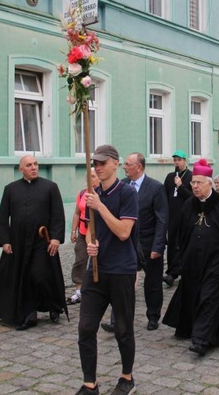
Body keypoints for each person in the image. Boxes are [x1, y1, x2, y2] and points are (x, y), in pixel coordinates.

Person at [162, 159, 219, 355]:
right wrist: (180, 260)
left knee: (209, 297)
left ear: (210, 183)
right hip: (193, 261)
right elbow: (181, 234)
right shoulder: (188, 205)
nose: (194, 187)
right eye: (193, 183)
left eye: (199, 183)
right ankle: (193, 328)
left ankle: (201, 340)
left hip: (216, 261)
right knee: (194, 294)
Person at [76, 145, 139, 395]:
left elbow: (124, 232)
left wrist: (100, 206)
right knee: (85, 327)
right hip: (96, 270)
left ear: (115, 163)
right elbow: (91, 228)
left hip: (122, 270)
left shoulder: (127, 193)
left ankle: (127, 378)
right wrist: (92, 243)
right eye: (95, 163)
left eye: (102, 163)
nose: (98, 167)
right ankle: (90, 384)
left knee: (123, 328)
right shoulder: (92, 194)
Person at [0, 155, 68, 331]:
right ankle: (29, 315)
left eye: (35, 164)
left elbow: (58, 214)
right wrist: (5, 241)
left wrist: (55, 237)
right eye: (29, 165)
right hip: (19, 242)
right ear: (21, 169)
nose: (34, 168)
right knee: (24, 277)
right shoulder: (11, 189)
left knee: (40, 275)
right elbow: (3, 217)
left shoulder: (50, 187)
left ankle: (53, 305)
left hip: (42, 243)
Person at [122, 152, 168, 331]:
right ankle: (118, 318)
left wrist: (158, 246)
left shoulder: (155, 187)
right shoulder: (122, 185)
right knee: (123, 281)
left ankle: (153, 316)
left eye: (127, 164)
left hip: (149, 242)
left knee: (153, 282)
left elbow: (162, 219)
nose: (124, 167)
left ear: (138, 167)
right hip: (127, 242)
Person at [67, 167, 100, 305]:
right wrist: (73, 231)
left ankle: (98, 289)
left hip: (97, 233)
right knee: (80, 260)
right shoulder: (82, 193)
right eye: (88, 176)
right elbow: (77, 213)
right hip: (82, 231)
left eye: (92, 176)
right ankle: (79, 291)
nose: (89, 179)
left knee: (97, 261)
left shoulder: (101, 194)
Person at [162, 150, 193, 287]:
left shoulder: (190, 177)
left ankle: (179, 271)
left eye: (179, 160)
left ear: (185, 161)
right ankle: (171, 272)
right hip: (172, 216)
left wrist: (180, 186)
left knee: (183, 244)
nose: (176, 163)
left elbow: (191, 197)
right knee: (172, 245)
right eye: (174, 160)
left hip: (185, 216)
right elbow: (164, 196)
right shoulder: (170, 177)